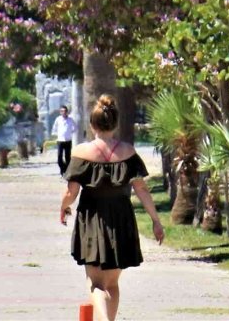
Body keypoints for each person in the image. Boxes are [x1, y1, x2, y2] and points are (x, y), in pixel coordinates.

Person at [60, 94, 164, 321]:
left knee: (95, 283)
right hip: (121, 218)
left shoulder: (81, 153)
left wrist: (64, 207)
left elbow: (71, 192)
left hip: (93, 217)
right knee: (113, 283)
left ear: (92, 124)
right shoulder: (128, 152)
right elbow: (142, 190)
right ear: (115, 123)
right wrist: (156, 221)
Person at [53, 105, 77, 176]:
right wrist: (56, 134)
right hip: (60, 140)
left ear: (67, 112)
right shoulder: (58, 119)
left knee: (67, 158)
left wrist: (70, 133)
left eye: (65, 111)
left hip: (68, 141)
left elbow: (75, 128)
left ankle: (67, 172)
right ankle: (63, 169)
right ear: (60, 112)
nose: (63, 112)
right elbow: (54, 128)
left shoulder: (70, 119)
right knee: (59, 158)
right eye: (62, 111)